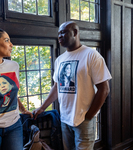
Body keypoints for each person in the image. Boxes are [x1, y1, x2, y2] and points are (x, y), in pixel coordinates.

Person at [33, 21, 112, 150]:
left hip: (84, 119)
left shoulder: (91, 55)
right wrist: (42, 108)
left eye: (63, 32)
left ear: (75, 32)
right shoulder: (60, 59)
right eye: (58, 33)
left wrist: (89, 115)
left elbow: (104, 89)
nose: (59, 36)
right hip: (65, 118)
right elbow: (57, 87)